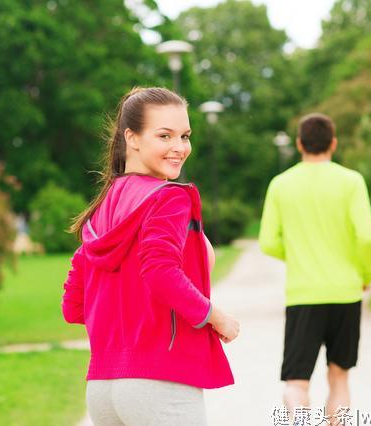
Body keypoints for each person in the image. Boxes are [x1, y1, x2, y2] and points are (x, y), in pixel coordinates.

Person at [62, 87, 239, 426]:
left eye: (185, 136)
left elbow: (73, 306)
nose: (179, 147)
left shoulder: (101, 208)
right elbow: (160, 272)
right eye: (165, 135)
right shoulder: (169, 198)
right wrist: (217, 317)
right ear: (133, 138)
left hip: (103, 389)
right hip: (161, 385)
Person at [259, 113, 371, 422]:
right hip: (346, 292)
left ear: (300, 144)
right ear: (333, 144)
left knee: (296, 383)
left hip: (303, 296)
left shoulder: (281, 184)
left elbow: (268, 242)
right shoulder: (352, 181)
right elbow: (367, 236)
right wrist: (366, 274)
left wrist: (298, 253)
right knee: (339, 378)